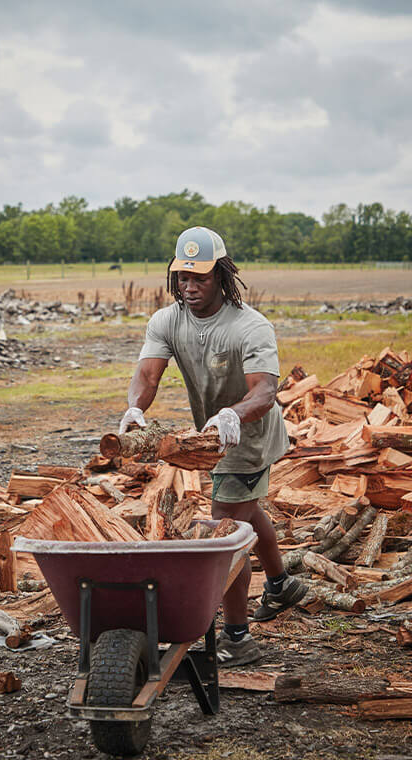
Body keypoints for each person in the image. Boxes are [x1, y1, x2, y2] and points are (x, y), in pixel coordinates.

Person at [118, 226, 306, 667]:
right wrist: (134, 412)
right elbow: (147, 377)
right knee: (247, 509)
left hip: (250, 437)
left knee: (224, 531)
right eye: (182, 277)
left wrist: (232, 415)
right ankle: (280, 584)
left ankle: (238, 637)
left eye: (199, 278)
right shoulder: (168, 320)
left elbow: (264, 393)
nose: (188, 287)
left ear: (221, 276)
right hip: (211, 441)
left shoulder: (250, 326)